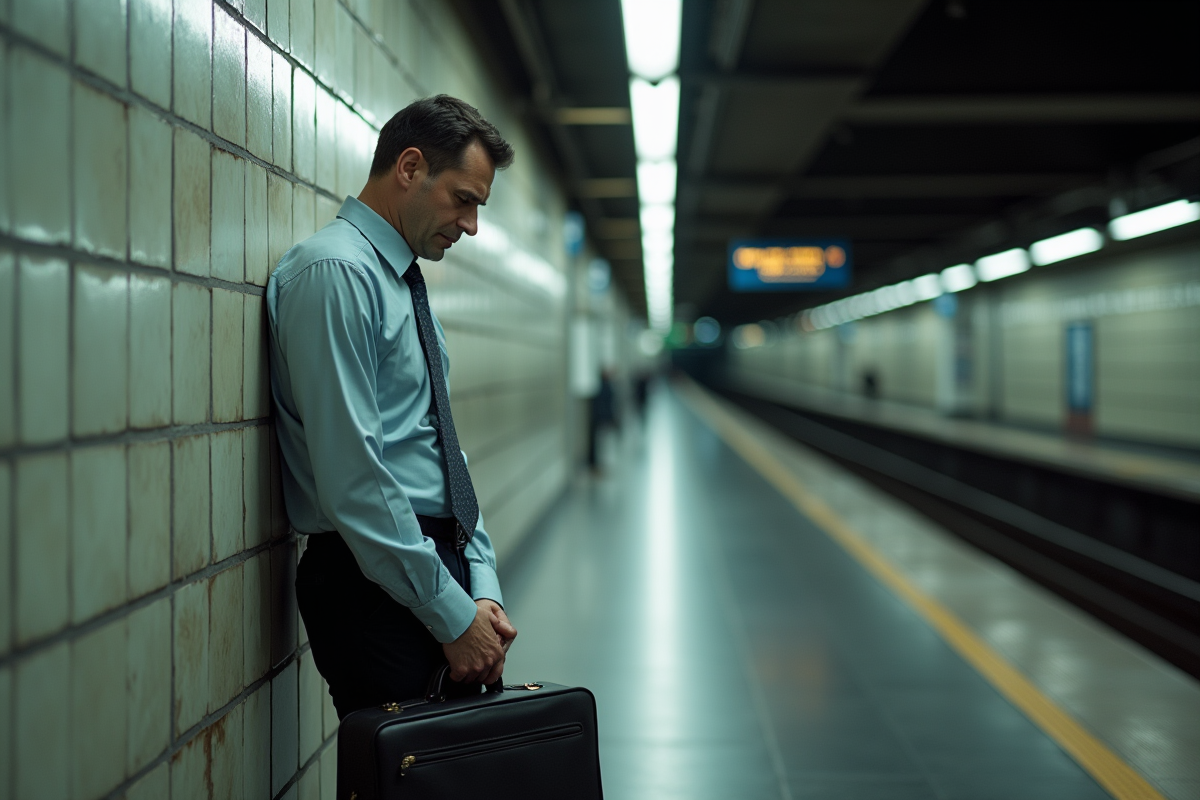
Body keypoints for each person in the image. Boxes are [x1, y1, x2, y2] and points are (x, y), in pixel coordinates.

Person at [267, 95, 518, 719]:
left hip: (428, 571)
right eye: (464, 199)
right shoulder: (335, 274)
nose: (471, 226)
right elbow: (355, 478)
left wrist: (480, 587)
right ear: (409, 168)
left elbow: (440, 445)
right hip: (373, 585)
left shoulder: (399, 282)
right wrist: (453, 614)